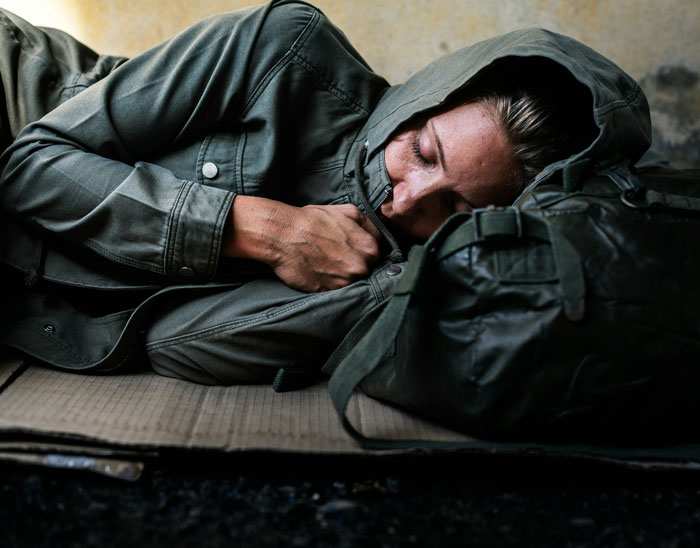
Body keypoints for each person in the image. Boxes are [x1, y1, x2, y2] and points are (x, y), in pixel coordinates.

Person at [0, 1, 649, 385]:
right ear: (431, 96)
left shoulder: (387, 263)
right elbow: (28, 167)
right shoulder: (287, 52)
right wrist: (259, 228)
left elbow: (169, 345)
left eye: (456, 210)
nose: (406, 202)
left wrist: (384, 289)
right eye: (422, 153)